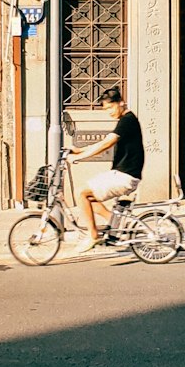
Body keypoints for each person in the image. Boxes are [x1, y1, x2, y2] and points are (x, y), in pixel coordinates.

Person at [68, 85, 144, 250]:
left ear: (121, 102)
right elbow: (105, 141)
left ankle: (93, 236)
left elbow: (107, 143)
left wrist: (79, 157)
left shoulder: (127, 120)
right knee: (87, 199)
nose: (109, 111)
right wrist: (80, 149)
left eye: (111, 107)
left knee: (81, 192)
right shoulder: (124, 120)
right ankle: (116, 223)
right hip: (122, 173)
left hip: (125, 176)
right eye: (106, 109)